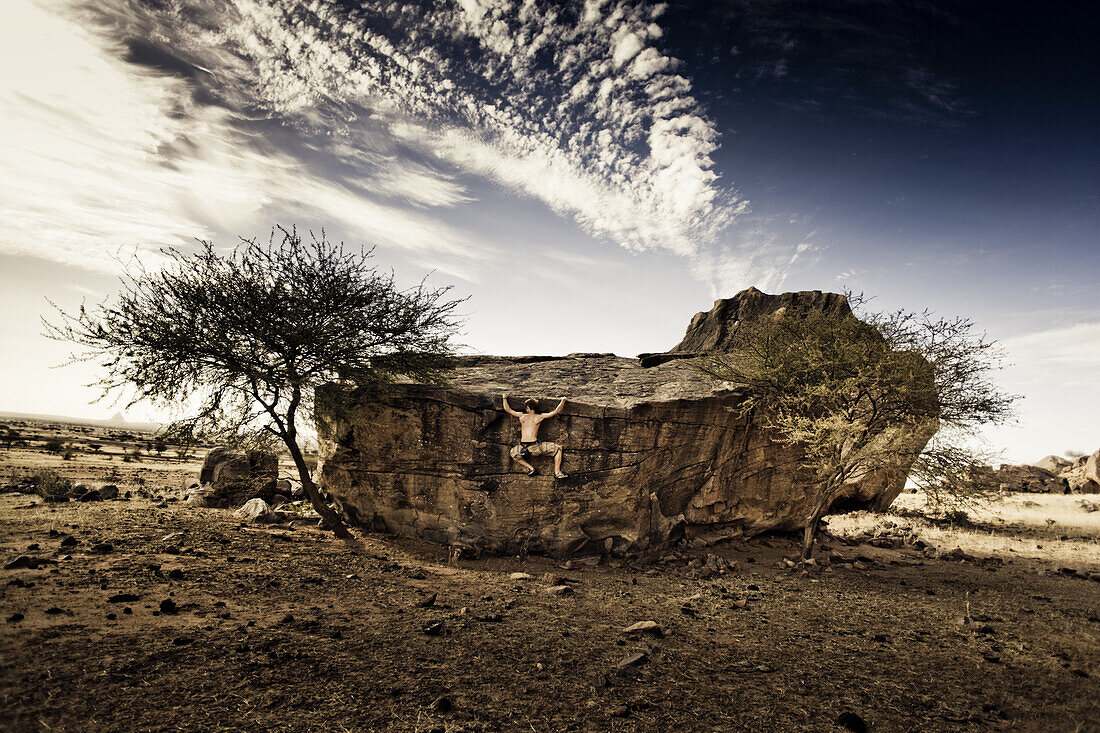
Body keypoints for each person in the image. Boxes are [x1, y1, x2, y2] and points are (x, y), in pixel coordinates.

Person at [502, 395, 568, 478]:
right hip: (535, 448)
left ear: (528, 408)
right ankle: (557, 473)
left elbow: (507, 409)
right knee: (558, 448)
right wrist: (563, 400)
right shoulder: (539, 417)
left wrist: (504, 398)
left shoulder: (522, 416)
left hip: (522, 448)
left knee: (513, 453)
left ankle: (531, 469)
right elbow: (556, 411)